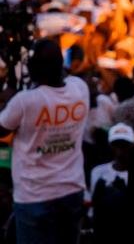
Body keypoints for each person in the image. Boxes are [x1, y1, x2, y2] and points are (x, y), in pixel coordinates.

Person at [0, 39, 90, 244]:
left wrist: (7, 99)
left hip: (34, 196)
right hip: (72, 191)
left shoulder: (24, 101)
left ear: (33, 70)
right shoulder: (80, 88)